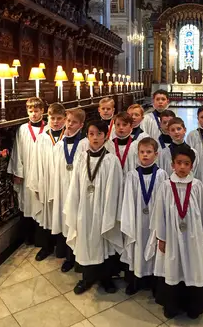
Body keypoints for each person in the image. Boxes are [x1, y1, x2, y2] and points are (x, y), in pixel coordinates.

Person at [148, 145, 203, 319]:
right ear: (172, 165)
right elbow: (159, 214)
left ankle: (194, 306)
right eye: (179, 163)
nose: (182, 167)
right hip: (171, 237)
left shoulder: (197, 186)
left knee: (193, 269)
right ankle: (172, 305)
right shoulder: (165, 186)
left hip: (193, 238)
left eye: (186, 163)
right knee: (173, 269)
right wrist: (161, 238)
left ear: (192, 166)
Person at [64, 120, 123, 294]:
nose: (95, 137)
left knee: (103, 241)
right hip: (84, 209)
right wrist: (75, 207)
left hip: (103, 209)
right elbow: (74, 185)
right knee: (85, 241)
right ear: (87, 136)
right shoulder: (81, 157)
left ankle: (106, 279)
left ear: (105, 136)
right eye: (91, 134)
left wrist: (108, 211)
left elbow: (115, 188)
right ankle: (86, 279)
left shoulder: (111, 161)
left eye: (99, 134)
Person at [32, 108, 88, 267]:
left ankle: (72, 257)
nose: (69, 124)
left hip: (75, 190)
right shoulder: (56, 144)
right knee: (57, 219)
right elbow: (49, 169)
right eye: (68, 121)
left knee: (72, 222)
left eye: (72, 122)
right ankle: (55, 250)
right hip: (58, 188)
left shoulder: (83, 144)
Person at [121, 137, 168, 295]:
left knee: (154, 247)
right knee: (138, 246)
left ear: (156, 154)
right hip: (137, 221)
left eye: (149, 152)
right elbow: (127, 201)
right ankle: (135, 281)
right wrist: (129, 221)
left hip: (154, 221)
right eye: (142, 152)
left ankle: (155, 283)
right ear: (138, 154)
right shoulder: (132, 176)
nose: (145, 155)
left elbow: (165, 201)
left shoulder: (162, 175)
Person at [26, 103, 68, 261]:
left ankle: (63, 249)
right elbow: (35, 162)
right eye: (52, 118)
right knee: (46, 215)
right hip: (46, 183)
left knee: (62, 215)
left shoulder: (68, 138)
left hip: (63, 185)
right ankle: (46, 246)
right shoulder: (43, 138)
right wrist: (36, 184)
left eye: (59, 119)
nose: (56, 122)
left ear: (65, 119)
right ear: (47, 118)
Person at [8, 97, 47, 245]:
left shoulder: (48, 129)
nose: (34, 114)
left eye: (36, 111)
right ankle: (29, 237)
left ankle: (41, 238)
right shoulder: (23, 130)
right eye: (30, 111)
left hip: (43, 174)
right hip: (28, 173)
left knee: (42, 205)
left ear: (42, 111)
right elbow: (17, 152)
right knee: (27, 204)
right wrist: (18, 172)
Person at [106, 112, 141, 176]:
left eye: (124, 125)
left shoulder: (136, 145)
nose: (121, 127)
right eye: (118, 124)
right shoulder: (109, 145)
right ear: (114, 126)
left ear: (131, 126)